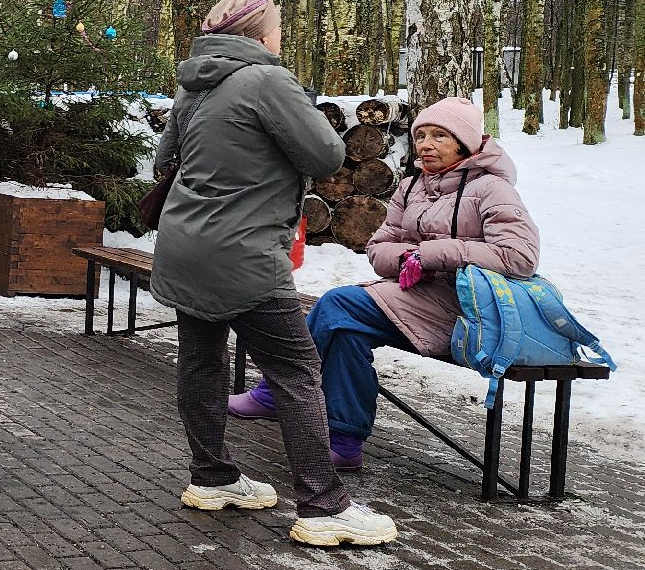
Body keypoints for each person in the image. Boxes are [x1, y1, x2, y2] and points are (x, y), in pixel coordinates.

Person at [151, 0, 398, 547]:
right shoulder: (268, 80)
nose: (281, 38)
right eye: (279, 28)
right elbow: (329, 156)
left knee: (201, 363)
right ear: (262, 35)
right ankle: (323, 505)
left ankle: (213, 477)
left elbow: (168, 159)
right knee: (297, 371)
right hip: (244, 252)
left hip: (188, 244)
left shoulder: (197, 84)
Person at [229, 97, 539, 470]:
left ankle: (276, 391)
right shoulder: (411, 187)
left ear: (465, 143)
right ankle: (344, 443)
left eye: (440, 136)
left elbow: (520, 257)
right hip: (417, 298)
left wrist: (433, 254)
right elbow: (377, 249)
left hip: (466, 313)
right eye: (421, 135)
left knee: (337, 304)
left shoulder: (492, 189)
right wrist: (409, 258)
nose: (426, 144)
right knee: (345, 333)